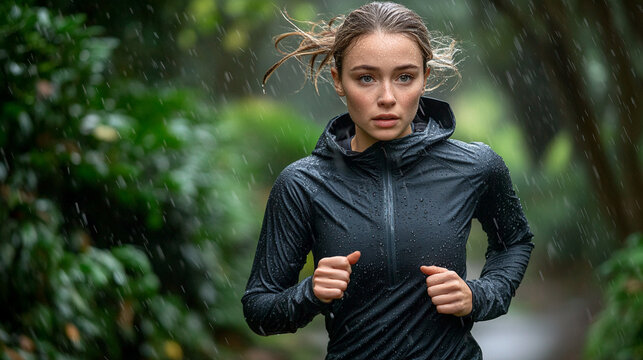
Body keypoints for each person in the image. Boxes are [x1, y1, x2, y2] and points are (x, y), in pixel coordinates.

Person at [241, 2, 534, 359]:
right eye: (366, 78)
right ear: (338, 81)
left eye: (404, 77)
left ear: (425, 77)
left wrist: (481, 296)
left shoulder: (476, 166)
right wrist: (310, 294)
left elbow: (513, 241)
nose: (387, 98)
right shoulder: (303, 184)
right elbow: (259, 310)